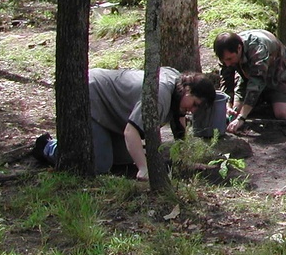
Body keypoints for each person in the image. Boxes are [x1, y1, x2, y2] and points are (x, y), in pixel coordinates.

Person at [32, 68, 216, 180]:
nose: (193, 110)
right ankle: (49, 147)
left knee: (126, 158)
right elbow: (131, 132)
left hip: (113, 113)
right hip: (91, 96)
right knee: (100, 165)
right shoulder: (160, 96)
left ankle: (87, 142)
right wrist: (144, 169)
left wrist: (186, 159)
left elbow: (179, 122)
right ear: (187, 90)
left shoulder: (178, 86)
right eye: (194, 104)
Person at [213, 29, 286, 132]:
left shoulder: (258, 49)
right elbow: (226, 81)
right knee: (236, 111)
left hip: (278, 73)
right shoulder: (226, 54)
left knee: (282, 114)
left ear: (239, 48)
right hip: (248, 73)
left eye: (230, 59)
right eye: (224, 60)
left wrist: (242, 118)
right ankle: (260, 100)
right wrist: (227, 105)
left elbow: (256, 83)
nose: (227, 64)